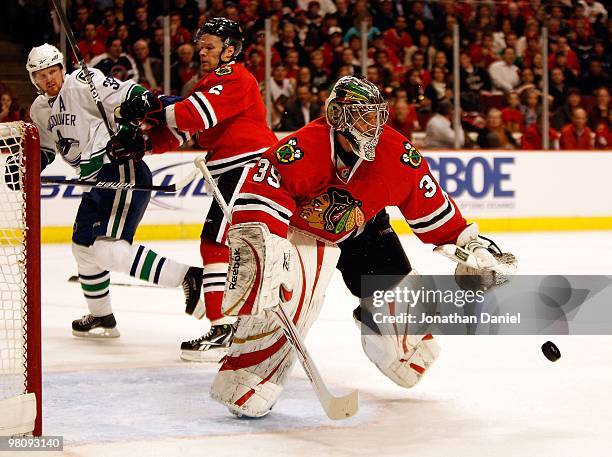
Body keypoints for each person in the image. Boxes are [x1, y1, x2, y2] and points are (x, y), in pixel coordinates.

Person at [206, 76, 516, 418]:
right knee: (290, 297)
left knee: (408, 342)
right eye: (361, 115)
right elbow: (260, 195)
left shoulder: (396, 154)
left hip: (362, 228)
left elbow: (432, 208)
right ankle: (249, 375)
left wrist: (468, 247)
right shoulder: (304, 147)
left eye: (376, 115)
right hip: (302, 233)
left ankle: (387, 336)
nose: (373, 125)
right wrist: (265, 246)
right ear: (337, 115)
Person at [8, 44, 203, 338]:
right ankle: (102, 317)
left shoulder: (83, 82)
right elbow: (47, 150)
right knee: (83, 249)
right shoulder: (39, 110)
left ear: (62, 69)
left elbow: (126, 92)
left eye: (52, 71)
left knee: (108, 249)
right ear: (33, 80)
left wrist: (141, 98)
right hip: (95, 183)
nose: (49, 79)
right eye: (41, 75)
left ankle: (188, 276)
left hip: (120, 169)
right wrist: (26, 166)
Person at [114, 18, 278, 360]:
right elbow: (181, 129)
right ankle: (235, 324)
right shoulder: (209, 84)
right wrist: (141, 145)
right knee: (221, 244)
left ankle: (224, 328)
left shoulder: (235, 77)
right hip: (235, 169)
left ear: (229, 51)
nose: (202, 53)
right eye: (200, 47)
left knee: (215, 242)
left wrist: (152, 104)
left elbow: (192, 114)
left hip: (246, 168)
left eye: (210, 48)